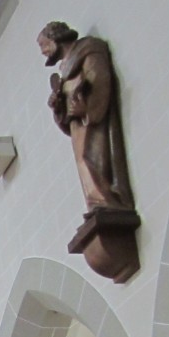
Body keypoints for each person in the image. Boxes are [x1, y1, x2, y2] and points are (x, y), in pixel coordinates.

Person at [38, 21, 134, 214]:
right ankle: (97, 202)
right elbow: (66, 118)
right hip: (79, 126)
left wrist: (87, 108)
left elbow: (99, 79)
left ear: (56, 37)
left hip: (92, 119)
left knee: (93, 157)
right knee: (83, 160)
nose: (43, 51)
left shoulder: (89, 50)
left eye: (44, 44)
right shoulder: (64, 72)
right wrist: (58, 108)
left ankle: (108, 201)